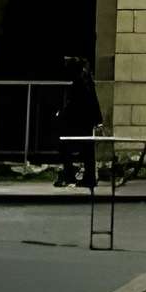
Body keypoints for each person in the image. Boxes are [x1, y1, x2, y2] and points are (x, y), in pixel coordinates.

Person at [53, 54, 104, 190]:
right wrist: (98, 119)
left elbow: (73, 103)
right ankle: (89, 177)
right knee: (87, 149)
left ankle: (69, 176)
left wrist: (62, 114)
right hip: (86, 119)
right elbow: (93, 100)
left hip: (75, 120)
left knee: (65, 147)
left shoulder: (77, 82)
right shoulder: (86, 80)